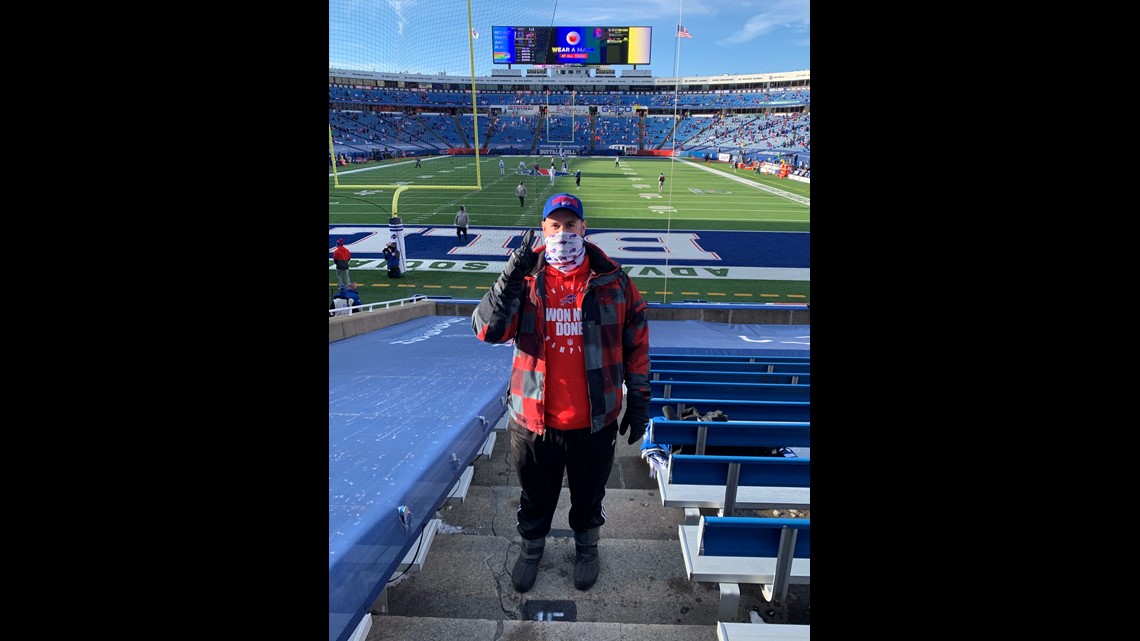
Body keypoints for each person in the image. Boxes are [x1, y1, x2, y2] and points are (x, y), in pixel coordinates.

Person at [470, 192, 651, 594]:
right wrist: (507, 281)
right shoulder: (527, 279)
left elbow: (637, 339)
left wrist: (639, 398)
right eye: (555, 225)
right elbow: (486, 330)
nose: (563, 233)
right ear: (543, 231)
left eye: (571, 225)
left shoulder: (613, 281)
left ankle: (588, 549)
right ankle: (531, 550)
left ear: (584, 229)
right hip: (533, 419)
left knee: (589, 496)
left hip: (593, 421)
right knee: (535, 495)